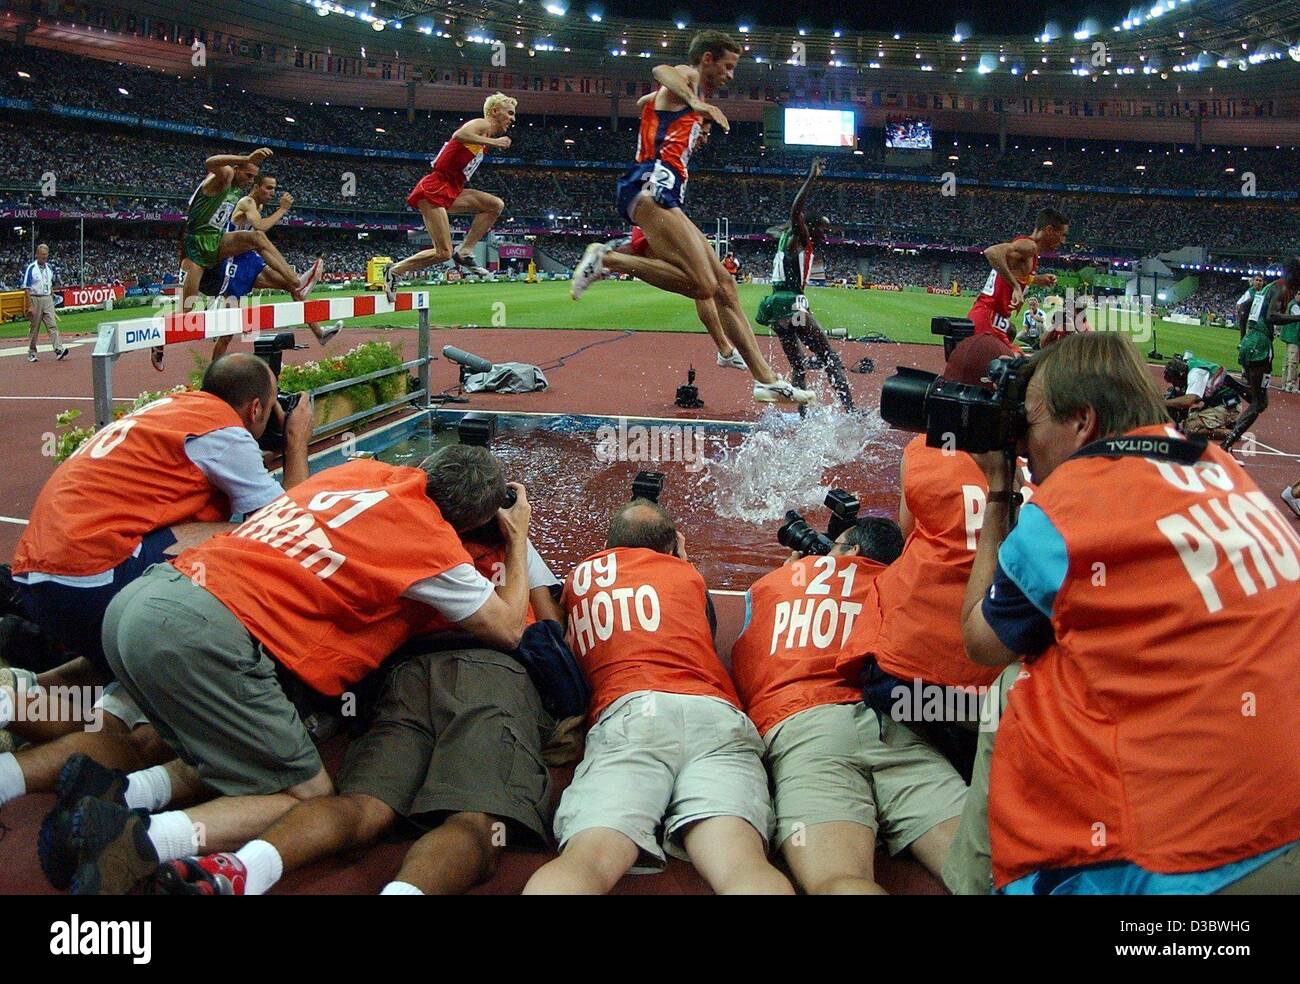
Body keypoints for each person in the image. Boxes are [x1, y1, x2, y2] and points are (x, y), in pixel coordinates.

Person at [47, 447, 535, 895]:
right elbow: (510, 629)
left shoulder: (359, 471)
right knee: (304, 795)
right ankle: (136, 840)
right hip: (202, 632)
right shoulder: (431, 545)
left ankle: (119, 793)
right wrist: (517, 540)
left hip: (143, 602)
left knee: (226, 750)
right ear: (472, 520)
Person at [951, 331, 1300, 895]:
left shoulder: (1069, 508)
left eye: (1032, 425)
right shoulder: (1217, 466)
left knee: (1018, 685)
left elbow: (979, 641)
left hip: (1200, 855)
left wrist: (1000, 488)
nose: (1024, 444)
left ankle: (980, 883)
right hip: (1284, 799)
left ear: (1082, 422)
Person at [149, 492, 571, 896]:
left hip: (403, 678)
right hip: (491, 675)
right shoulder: (515, 549)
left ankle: (243, 868)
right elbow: (548, 628)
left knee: (361, 806)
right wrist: (519, 542)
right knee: (476, 822)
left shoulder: (406, 542)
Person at [3, 356, 311, 826]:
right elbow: (284, 529)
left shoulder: (175, 408)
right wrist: (295, 445)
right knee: (229, 549)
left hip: (41, 575)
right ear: (255, 409)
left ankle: (9, 699)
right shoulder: (227, 433)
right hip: (92, 577)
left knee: (106, 675)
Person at [524, 498, 792, 895]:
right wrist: (682, 562)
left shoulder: (580, 579)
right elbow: (706, 624)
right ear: (672, 547)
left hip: (632, 715)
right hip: (714, 714)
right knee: (741, 865)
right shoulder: (687, 576)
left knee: (587, 859)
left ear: (611, 543)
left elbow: (559, 636)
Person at [569, 31, 811, 406]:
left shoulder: (683, 97)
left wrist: (663, 106)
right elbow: (661, 69)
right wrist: (694, 105)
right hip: (649, 188)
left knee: (724, 286)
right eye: (728, 67)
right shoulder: (689, 77)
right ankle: (608, 259)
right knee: (702, 286)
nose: (731, 75)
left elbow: (646, 99)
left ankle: (765, 380)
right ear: (709, 58)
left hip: (666, 196)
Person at [730, 516, 965, 894]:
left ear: (852, 550)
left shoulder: (766, 588)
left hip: (806, 731)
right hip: (896, 728)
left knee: (838, 881)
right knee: (987, 870)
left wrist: (797, 574)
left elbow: (743, 661)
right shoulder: (902, 586)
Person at [836, 333, 1032, 784]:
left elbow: (907, 536)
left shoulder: (921, 453)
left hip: (912, 676)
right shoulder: (1045, 463)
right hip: (1000, 684)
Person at [162, 148, 317, 372]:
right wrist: (245, 158)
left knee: (256, 238)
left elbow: (258, 227)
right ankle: (160, 342)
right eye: (248, 176)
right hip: (195, 243)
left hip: (218, 243)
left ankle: (296, 282)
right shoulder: (224, 179)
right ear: (237, 170)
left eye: (254, 177)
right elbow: (210, 161)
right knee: (187, 311)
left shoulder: (239, 192)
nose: (250, 181)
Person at [383, 93, 516, 299]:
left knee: (495, 205)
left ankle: (464, 251)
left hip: (452, 190)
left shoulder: (485, 139)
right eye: (510, 113)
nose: (513, 118)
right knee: (442, 253)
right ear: (495, 111)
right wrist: (497, 143)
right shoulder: (482, 124)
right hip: (435, 188)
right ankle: (395, 270)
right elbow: (458, 136)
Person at [755, 157, 854, 413]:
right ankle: (851, 411)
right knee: (830, 358)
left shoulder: (785, 237)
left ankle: (802, 417)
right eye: (823, 228)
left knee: (798, 366)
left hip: (775, 308)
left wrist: (784, 228)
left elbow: (772, 230)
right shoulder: (801, 236)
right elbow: (796, 211)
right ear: (809, 227)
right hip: (793, 304)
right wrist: (812, 178)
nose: (825, 234)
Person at [209, 173, 334, 360]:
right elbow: (260, 227)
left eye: (274, 188)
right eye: (268, 188)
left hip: (249, 257)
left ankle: (319, 333)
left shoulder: (258, 205)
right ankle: (213, 371)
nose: (272, 192)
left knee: (293, 287)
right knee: (228, 333)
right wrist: (282, 209)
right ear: (257, 186)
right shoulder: (247, 201)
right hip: (233, 261)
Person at [1222, 254, 1300, 451]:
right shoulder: (1282, 288)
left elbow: (1243, 309)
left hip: (1251, 340)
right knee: (1259, 403)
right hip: (1261, 345)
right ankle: (1226, 445)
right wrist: (1297, 318)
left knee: (1256, 396)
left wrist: (1244, 336)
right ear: (1294, 273)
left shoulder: (1267, 287)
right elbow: (1272, 316)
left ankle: (1228, 381)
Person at [968, 208, 1067, 345]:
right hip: (987, 318)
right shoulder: (1029, 245)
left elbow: (1015, 273)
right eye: (1062, 235)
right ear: (1049, 230)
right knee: (1014, 363)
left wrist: (1037, 280)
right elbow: (992, 252)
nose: (1063, 241)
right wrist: (1016, 287)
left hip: (994, 319)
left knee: (1015, 361)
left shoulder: (1030, 253)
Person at [1162, 352, 1248, 441]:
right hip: (1219, 402)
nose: (1174, 385)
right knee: (1180, 403)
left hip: (1228, 407)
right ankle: (1226, 423)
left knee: (1190, 429)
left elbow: (1189, 401)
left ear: (1180, 375)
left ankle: (1232, 433)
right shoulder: (1188, 366)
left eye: (1174, 381)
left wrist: (1163, 402)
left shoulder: (1196, 374)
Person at [22, 243, 67, 363]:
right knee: (35, 327)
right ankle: (32, 352)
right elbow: (26, 287)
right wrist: (30, 305)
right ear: (37, 255)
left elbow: (49, 283)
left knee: (52, 324)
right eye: (42, 255)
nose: (44, 257)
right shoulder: (31, 268)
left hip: (47, 298)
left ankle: (58, 349)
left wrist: (52, 296)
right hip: (35, 298)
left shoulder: (49, 268)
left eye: (46, 255)